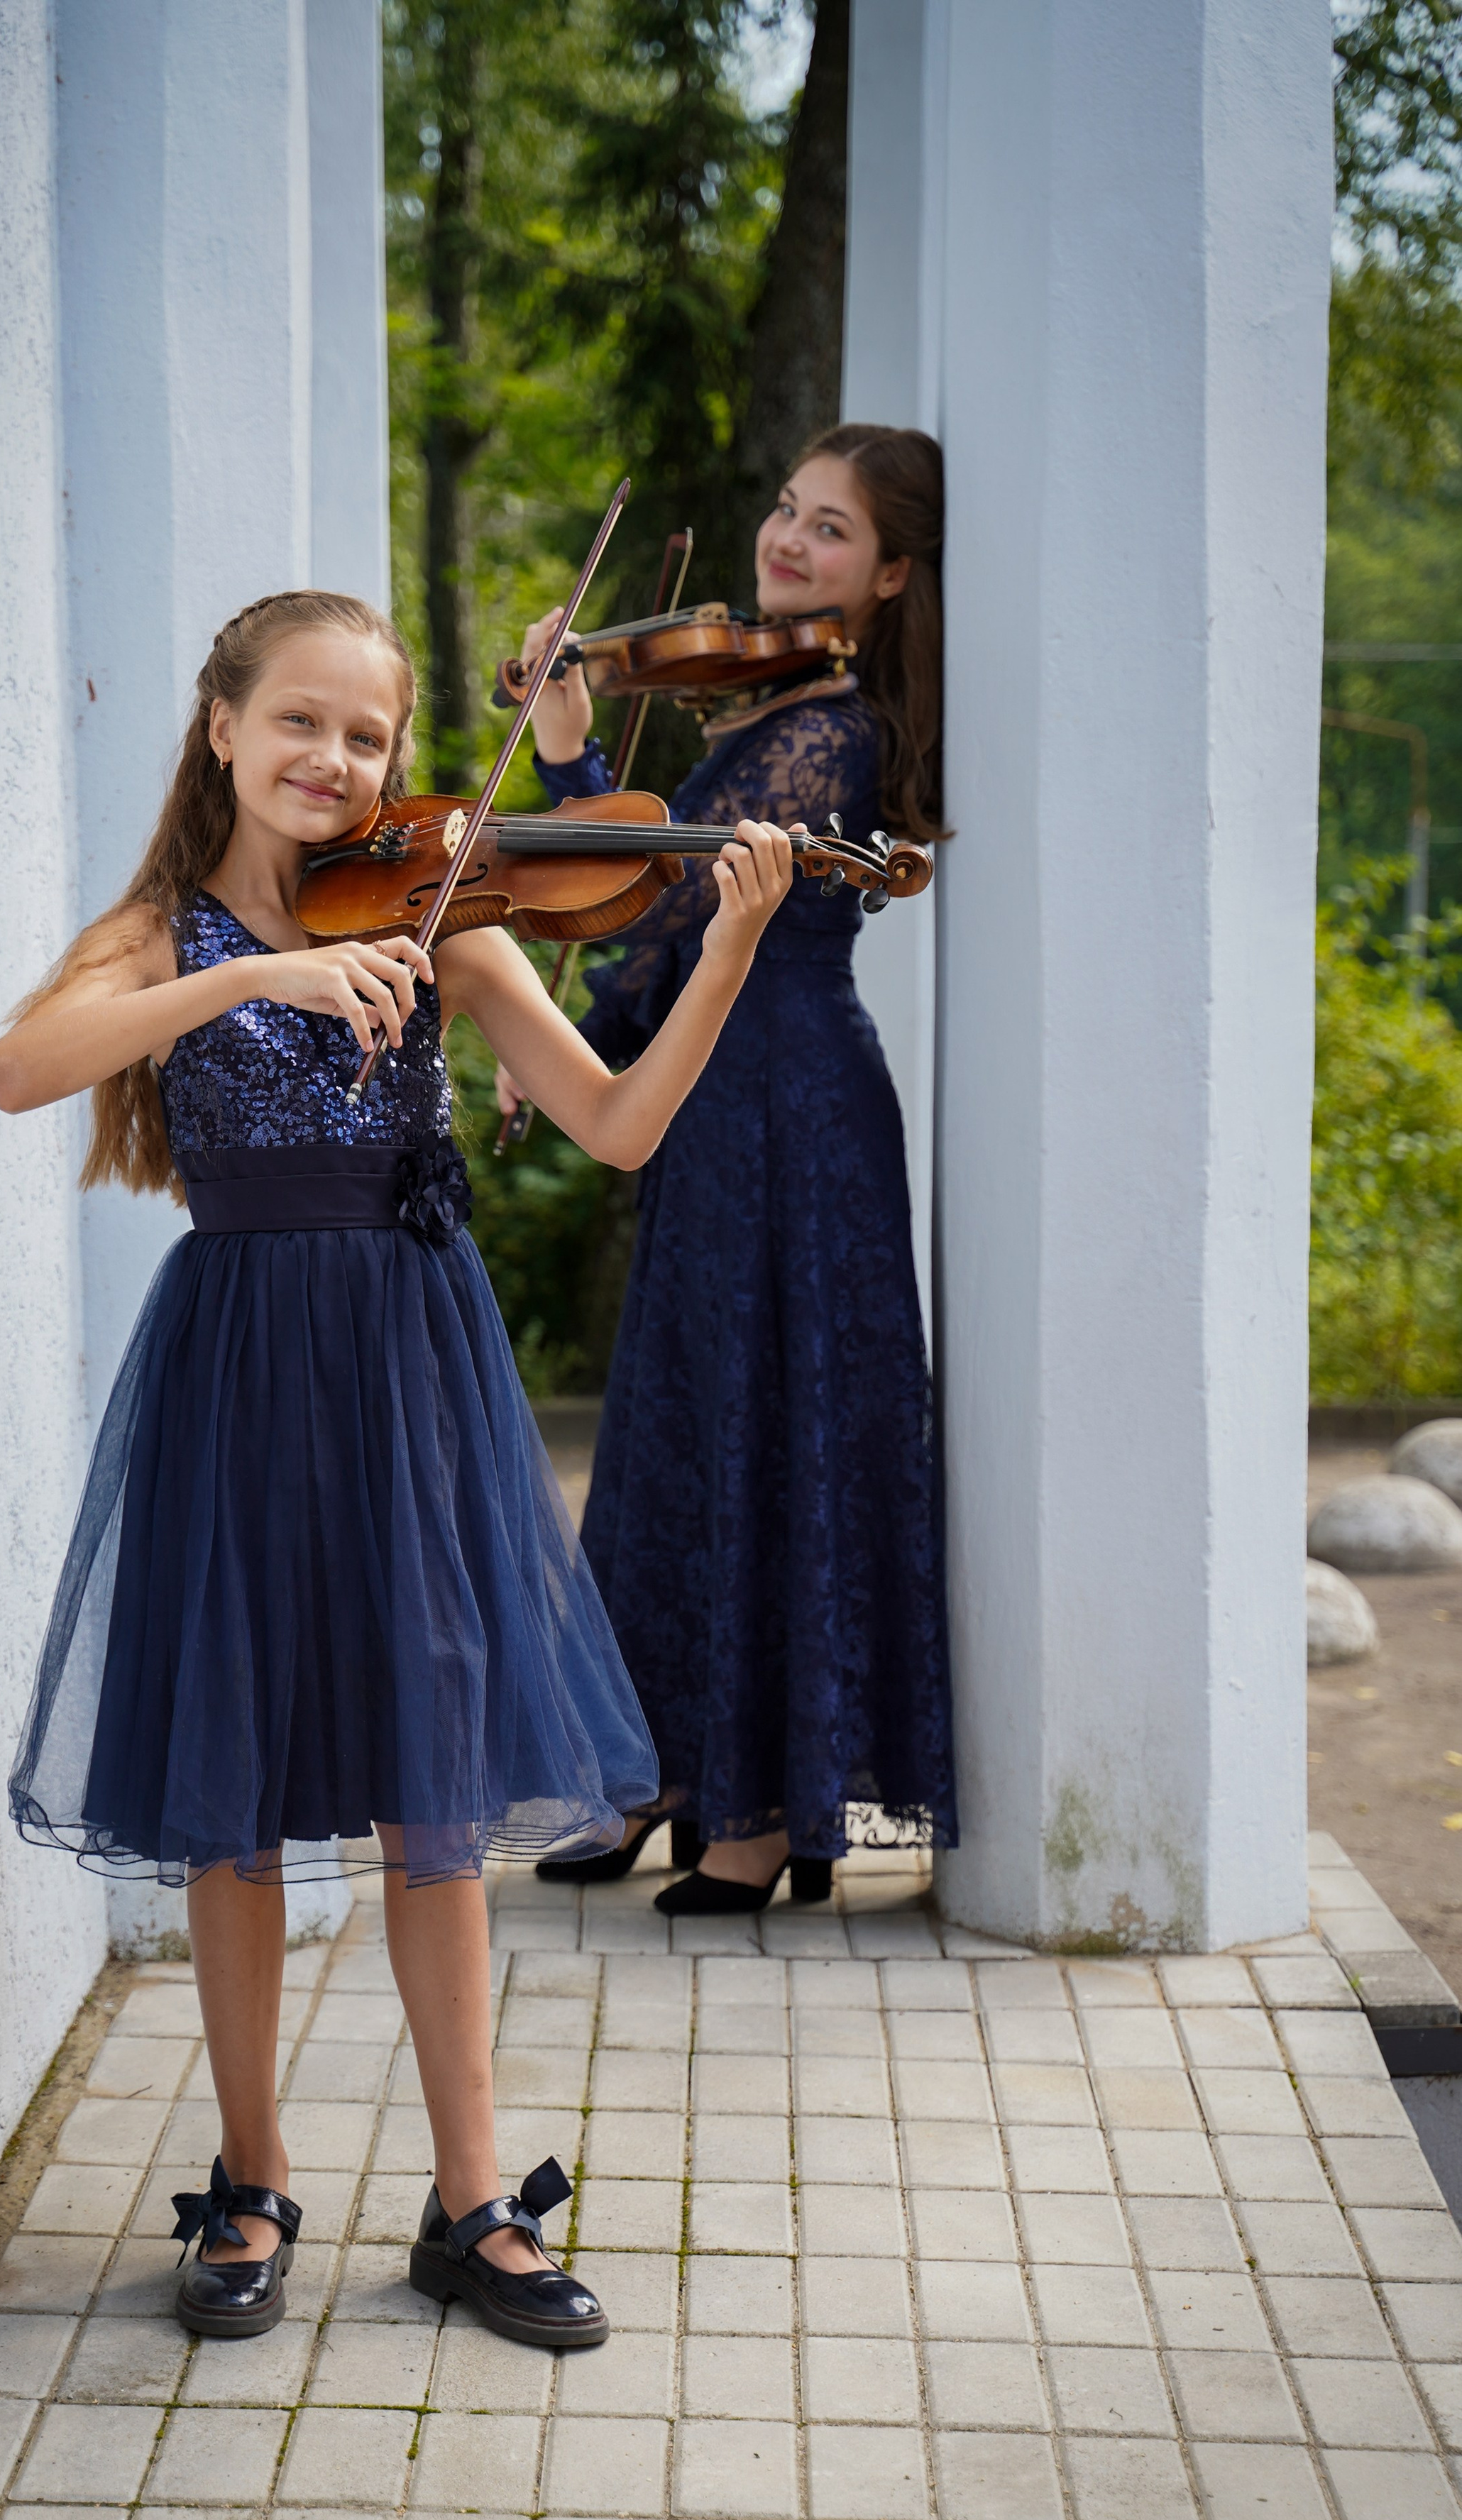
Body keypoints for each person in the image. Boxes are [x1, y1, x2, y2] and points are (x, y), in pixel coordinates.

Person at [0, 589, 796, 2350]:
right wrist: (253, 972)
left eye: (366, 736)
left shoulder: (444, 912)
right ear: (219, 728)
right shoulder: (161, 929)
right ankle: (253, 2177)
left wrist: (722, 955)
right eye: (300, 723)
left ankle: (471, 2203)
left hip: (413, 1373)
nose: (334, 761)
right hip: (238, 1371)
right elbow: (14, 1068)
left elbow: (616, 1124)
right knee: (234, 1781)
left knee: (436, 1795)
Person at [508, 424, 959, 1914]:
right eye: (783, 506)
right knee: (678, 1424)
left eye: (829, 529)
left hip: (795, 1115)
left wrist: (572, 749)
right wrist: (574, 740)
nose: (786, 540)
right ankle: (659, 1775)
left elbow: (649, 918)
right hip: (717, 1106)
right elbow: (641, 921)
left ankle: (757, 1811)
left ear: (889, 576)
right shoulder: (761, 709)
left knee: (771, 1426)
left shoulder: (833, 738)